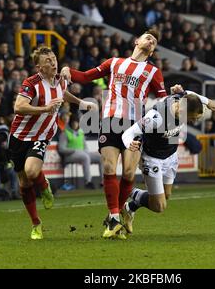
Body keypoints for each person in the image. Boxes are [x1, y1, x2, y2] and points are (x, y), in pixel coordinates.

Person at [61, 29, 184, 239]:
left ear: (152, 51)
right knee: (109, 167)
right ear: (137, 41)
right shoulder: (114, 62)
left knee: (128, 173)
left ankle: (118, 214)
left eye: (154, 42)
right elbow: (85, 76)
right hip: (110, 121)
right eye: (148, 37)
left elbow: (165, 101)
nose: (151, 41)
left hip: (135, 126)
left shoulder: (153, 72)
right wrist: (66, 69)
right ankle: (115, 216)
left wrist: (178, 94)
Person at [8, 46, 96, 240]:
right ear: (39, 67)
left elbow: (63, 93)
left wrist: (81, 103)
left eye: (54, 58)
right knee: (23, 183)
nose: (53, 62)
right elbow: (18, 107)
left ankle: (44, 185)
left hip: (42, 135)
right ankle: (36, 223)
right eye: (47, 60)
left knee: (31, 172)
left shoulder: (60, 80)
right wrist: (45, 109)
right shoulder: (31, 83)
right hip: (19, 136)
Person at [121, 90, 215, 234]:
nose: (192, 121)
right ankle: (130, 191)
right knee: (159, 206)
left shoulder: (181, 99)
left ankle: (130, 208)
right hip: (153, 159)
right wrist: (129, 143)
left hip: (171, 155)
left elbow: (188, 93)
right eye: (191, 118)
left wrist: (207, 101)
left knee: (166, 195)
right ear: (181, 109)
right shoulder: (157, 117)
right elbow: (128, 133)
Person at [58, 117, 103, 189]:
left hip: (82, 153)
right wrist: (74, 150)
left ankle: (103, 182)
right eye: (73, 123)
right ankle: (88, 181)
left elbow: (85, 146)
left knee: (100, 158)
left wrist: (86, 152)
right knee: (85, 157)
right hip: (69, 155)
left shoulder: (81, 132)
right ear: (70, 123)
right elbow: (61, 149)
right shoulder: (65, 133)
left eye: (76, 122)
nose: (74, 124)